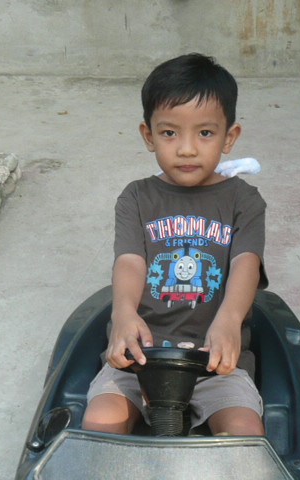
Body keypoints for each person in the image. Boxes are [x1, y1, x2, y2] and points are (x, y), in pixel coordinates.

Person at [82, 53, 268, 436]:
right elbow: (130, 261)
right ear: (148, 135)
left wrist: (229, 321)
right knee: (100, 423)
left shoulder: (243, 201)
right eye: (170, 133)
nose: (186, 149)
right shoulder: (136, 198)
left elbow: (246, 264)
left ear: (229, 137)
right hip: (138, 356)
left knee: (245, 431)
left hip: (216, 360)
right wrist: (123, 313)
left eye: (205, 133)